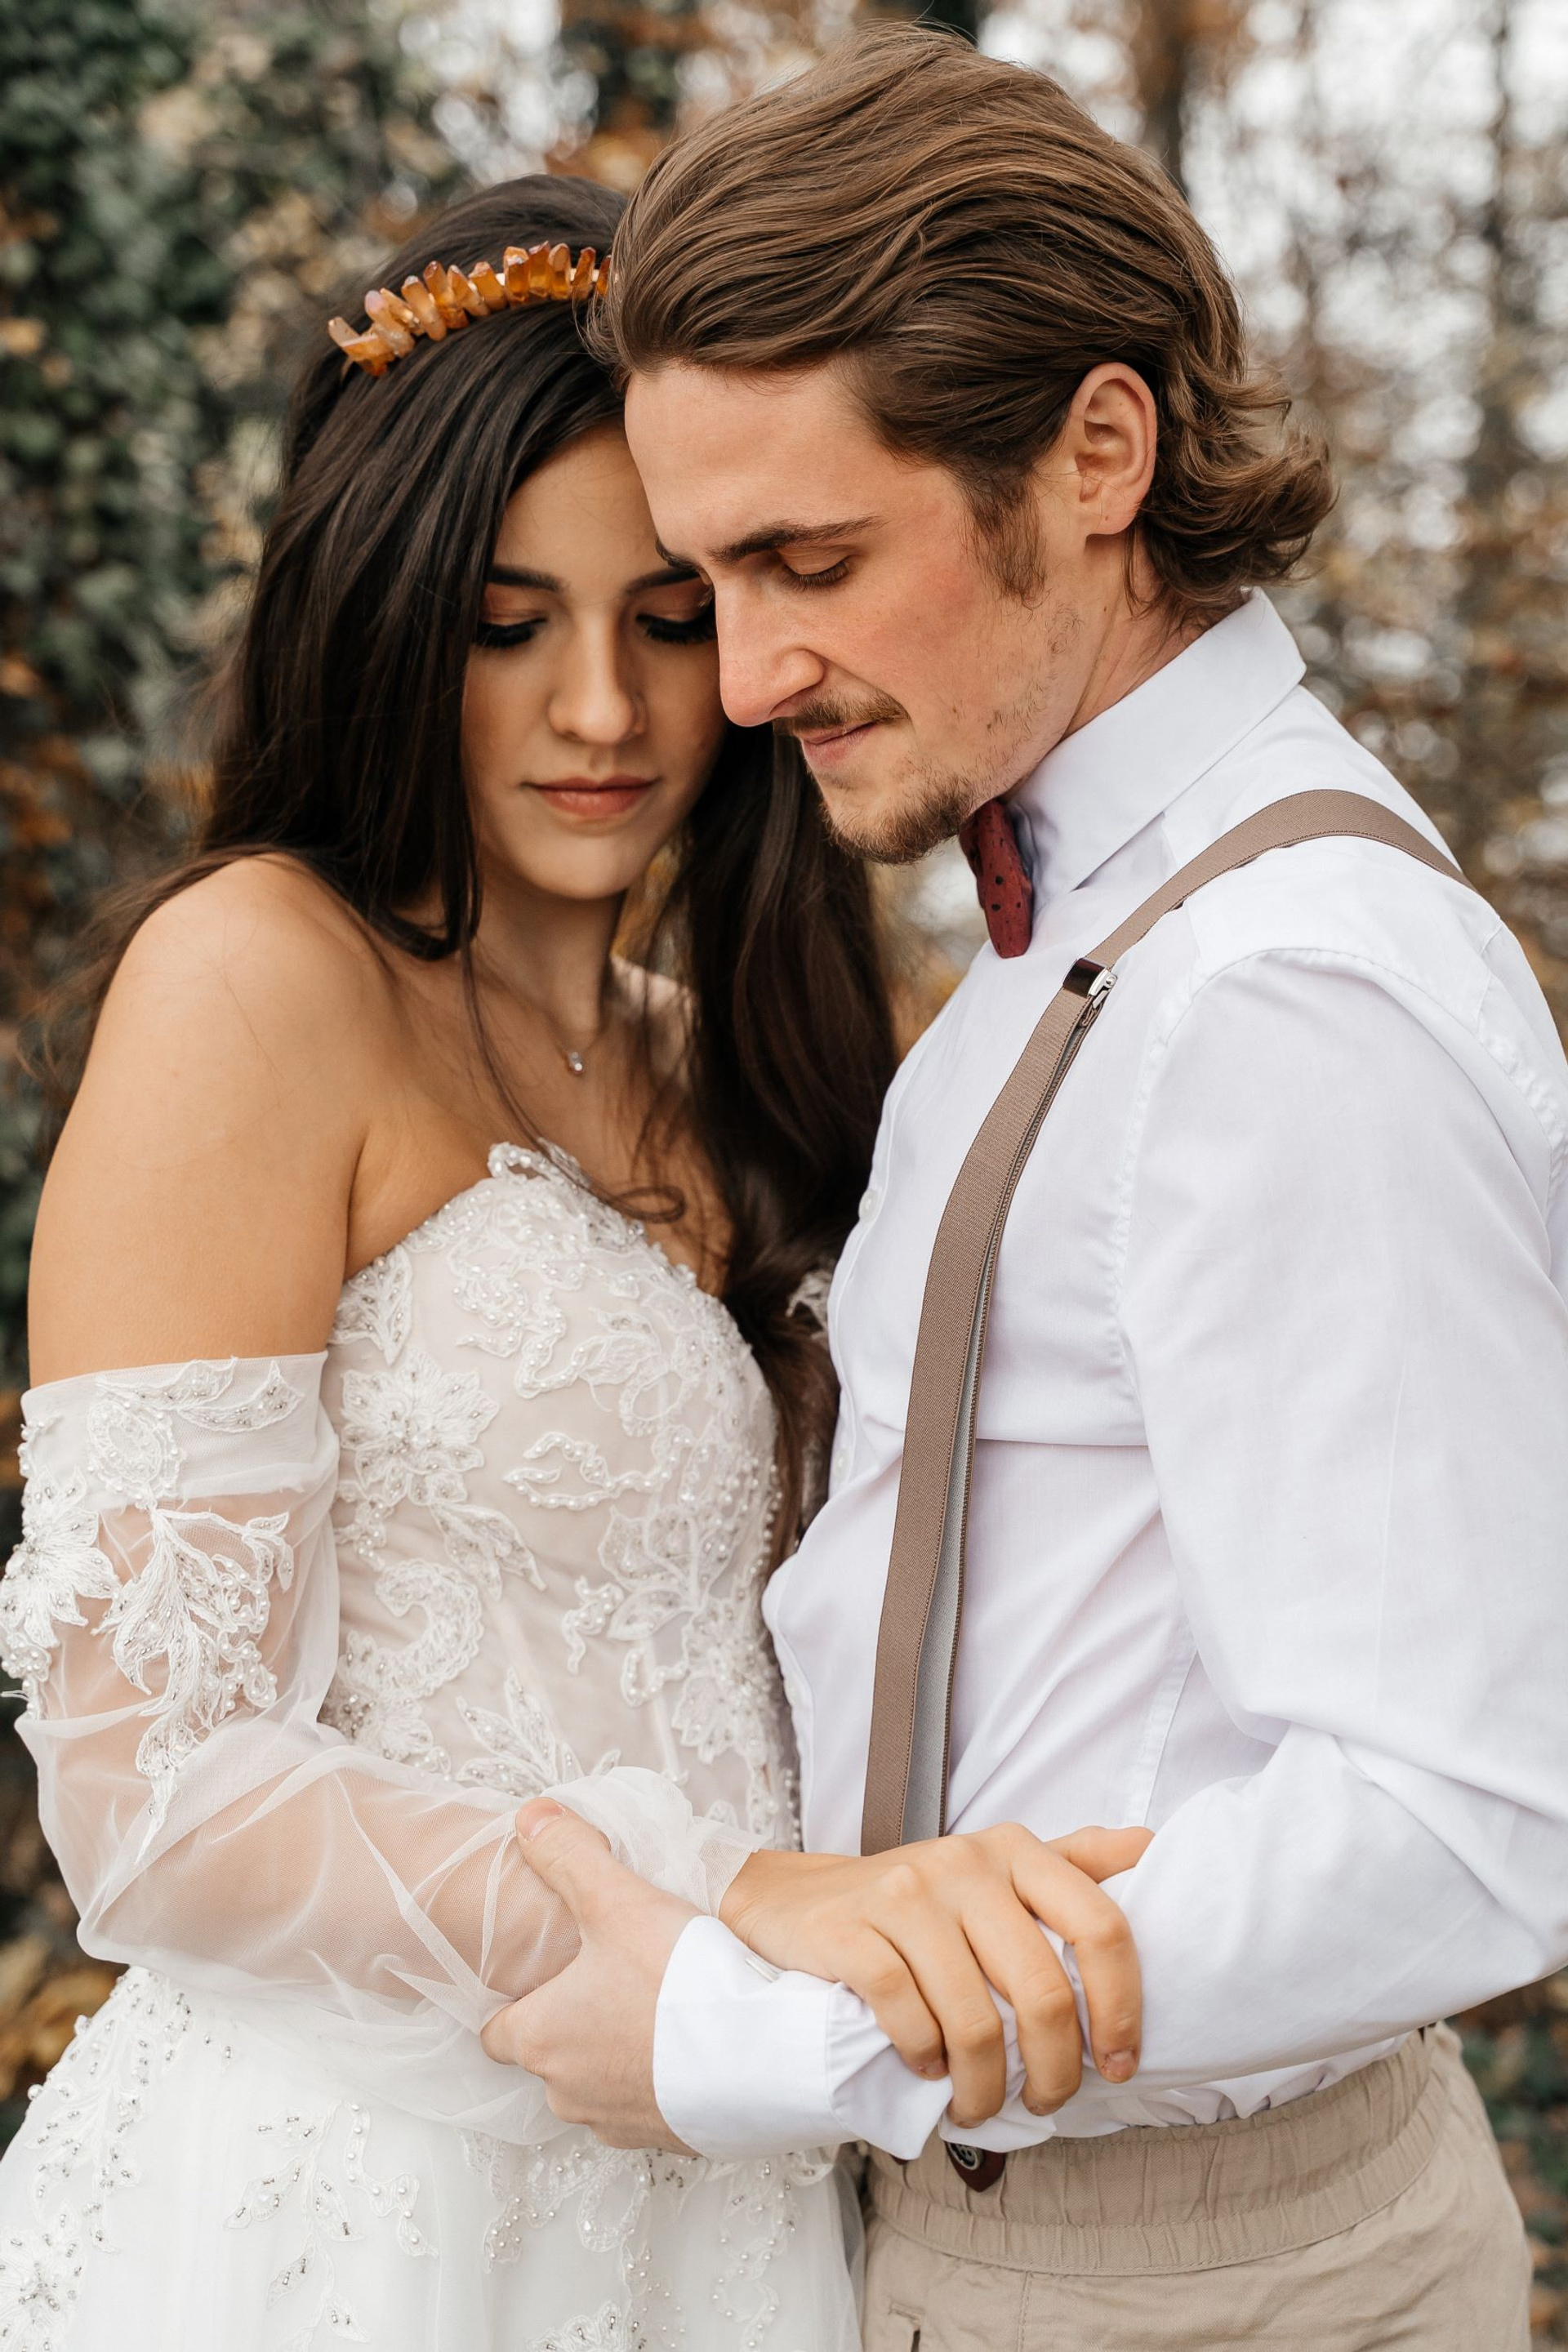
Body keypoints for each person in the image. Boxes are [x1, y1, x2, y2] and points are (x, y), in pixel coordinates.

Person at [483, 33, 1568, 2348]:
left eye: (812, 561)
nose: (749, 674)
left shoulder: (1282, 990)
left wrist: (752, 2043)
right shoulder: (1052, 954)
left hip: (1216, 2280)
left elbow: (1479, 1822)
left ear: (1096, 453)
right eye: (712, 578)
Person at [0, 172, 1153, 2350]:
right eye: (511, 622)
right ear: (384, 608)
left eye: (671, 611)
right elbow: (146, 1789)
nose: (607, 707)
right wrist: (742, 1904)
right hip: (359, 2204)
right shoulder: (255, 981)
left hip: (721, 2192)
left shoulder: (718, 1054)